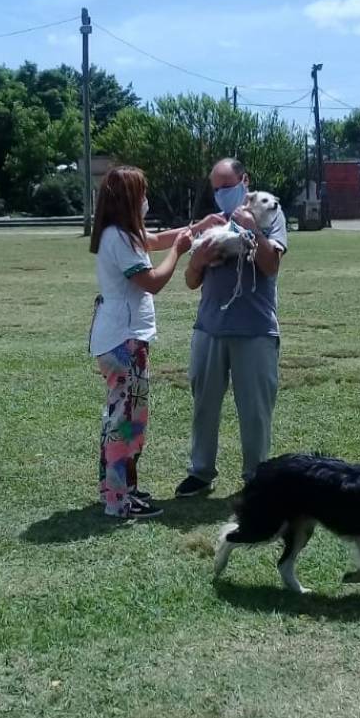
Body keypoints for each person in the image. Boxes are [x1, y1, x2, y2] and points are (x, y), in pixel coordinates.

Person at [90, 166, 221, 519]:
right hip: (125, 343)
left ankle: (118, 486)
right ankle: (119, 500)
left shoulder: (120, 234)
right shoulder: (119, 238)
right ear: (132, 199)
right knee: (126, 421)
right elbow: (153, 281)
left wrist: (196, 228)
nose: (147, 199)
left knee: (120, 418)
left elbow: (155, 240)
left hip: (120, 339)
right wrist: (178, 253)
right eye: (143, 193)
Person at [175, 158, 288, 497]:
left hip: (254, 330)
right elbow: (192, 282)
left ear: (245, 182)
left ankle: (256, 476)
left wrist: (252, 229)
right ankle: (201, 471)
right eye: (217, 188)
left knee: (255, 409)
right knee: (204, 405)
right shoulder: (213, 224)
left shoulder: (270, 214)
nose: (223, 193)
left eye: (228, 185)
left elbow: (270, 266)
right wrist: (195, 262)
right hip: (209, 329)